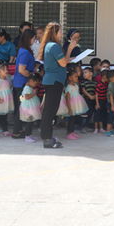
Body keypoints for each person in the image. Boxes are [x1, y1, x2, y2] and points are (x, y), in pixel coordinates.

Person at [39, 21, 77, 149]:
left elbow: (61, 61)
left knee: (50, 110)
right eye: (60, 31)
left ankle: (47, 137)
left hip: (53, 81)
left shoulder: (50, 45)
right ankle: (47, 140)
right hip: (54, 81)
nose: (62, 34)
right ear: (54, 33)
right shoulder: (54, 46)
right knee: (50, 111)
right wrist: (70, 50)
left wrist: (68, 58)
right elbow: (62, 64)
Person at [12, 30, 36, 139]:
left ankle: (19, 129)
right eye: (33, 38)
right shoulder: (25, 52)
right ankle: (16, 131)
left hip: (20, 82)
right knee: (21, 108)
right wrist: (31, 75)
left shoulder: (23, 50)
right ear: (29, 39)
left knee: (20, 107)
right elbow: (22, 69)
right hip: (21, 83)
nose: (34, 41)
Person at [63, 63, 88, 140]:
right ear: (70, 78)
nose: (77, 78)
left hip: (76, 104)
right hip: (71, 105)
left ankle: (72, 132)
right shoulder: (68, 87)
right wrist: (69, 109)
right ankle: (69, 133)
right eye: (75, 77)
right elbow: (68, 99)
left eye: (77, 77)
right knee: (71, 119)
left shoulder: (76, 85)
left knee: (73, 119)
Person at [18, 73, 43, 143]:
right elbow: (27, 97)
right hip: (28, 107)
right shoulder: (26, 88)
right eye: (36, 83)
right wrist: (34, 93)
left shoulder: (30, 87)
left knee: (31, 121)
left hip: (31, 106)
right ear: (31, 81)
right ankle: (27, 137)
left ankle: (30, 135)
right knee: (29, 122)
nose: (36, 85)